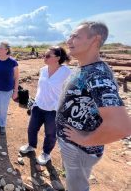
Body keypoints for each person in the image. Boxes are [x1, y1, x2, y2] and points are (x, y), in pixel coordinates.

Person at [56, 21, 131, 191]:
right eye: (70, 35)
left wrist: (84, 140)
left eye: (76, 36)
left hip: (79, 150)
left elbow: (122, 127)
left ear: (95, 40)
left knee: (77, 187)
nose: (69, 40)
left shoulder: (98, 75)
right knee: (72, 180)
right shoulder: (84, 67)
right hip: (72, 145)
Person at [19, 46, 71, 165]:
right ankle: (31, 146)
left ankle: (46, 153)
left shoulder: (66, 72)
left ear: (57, 58)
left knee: (51, 133)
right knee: (32, 129)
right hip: (38, 105)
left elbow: (72, 89)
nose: (44, 57)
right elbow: (40, 88)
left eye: (47, 56)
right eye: (44, 55)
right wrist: (34, 103)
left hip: (54, 109)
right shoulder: (43, 70)